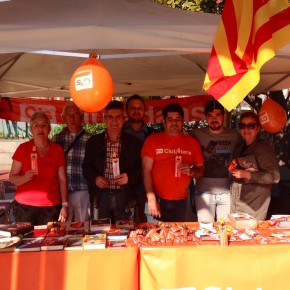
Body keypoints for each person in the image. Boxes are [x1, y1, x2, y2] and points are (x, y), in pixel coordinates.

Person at [142, 103, 205, 222]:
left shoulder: (192, 142)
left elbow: (201, 169)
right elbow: (146, 170)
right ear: (164, 122)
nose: (174, 123)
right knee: (155, 238)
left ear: (182, 121)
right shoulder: (152, 140)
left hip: (180, 202)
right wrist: (151, 199)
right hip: (157, 200)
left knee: (177, 238)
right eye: (170, 119)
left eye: (178, 119)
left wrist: (192, 171)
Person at [82, 100, 142, 223]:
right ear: (105, 119)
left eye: (118, 117)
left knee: (125, 234)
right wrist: (95, 178)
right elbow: (86, 167)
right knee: (99, 234)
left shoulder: (134, 143)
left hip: (125, 196)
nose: (114, 121)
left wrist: (129, 177)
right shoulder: (94, 142)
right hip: (101, 196)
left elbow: (141, 169)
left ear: (124, 119)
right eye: (110, 117)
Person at [9, 111, 68, 225]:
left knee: (50, 240)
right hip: (25, 207)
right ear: (31, 130)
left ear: (49, 129)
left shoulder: (57, 150)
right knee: (26, 240)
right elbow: (12, 178)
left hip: (51, 207)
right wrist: (24, 178)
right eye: (36, 125)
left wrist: (65, 205)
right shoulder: (23, 149)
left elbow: (62, 180)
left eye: (44, 125)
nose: (40, 129)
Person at [191, 100, 241, 222]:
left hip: (228, 193)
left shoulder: (235, 136)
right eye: (210, 115)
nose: (214, 119)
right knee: (205, 230)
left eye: (217, 115)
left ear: (223, 116)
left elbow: (242, 157)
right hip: (203, 192)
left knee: (225, 230)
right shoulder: (196, 134)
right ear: (205, 118)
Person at [230, 111, 280, 220]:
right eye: (242, 126)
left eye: (251, 126)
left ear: (258, 128)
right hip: (237, 203)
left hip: (254, 206)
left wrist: (248, 174)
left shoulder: (263, 149)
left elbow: (275, 177)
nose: (246, 130)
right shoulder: (240, 146)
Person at [52, 103, 92, 222]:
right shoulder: (56, 139)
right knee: (63, 227)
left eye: (75, 115)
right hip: (61, 192)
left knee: (83, 226)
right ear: (63, 118)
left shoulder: (91, 139)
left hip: (82, 189)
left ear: (81, 117)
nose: (72, 118)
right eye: (68, 115)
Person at [123, 94, 157, 223]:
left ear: (144, 110)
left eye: (139, 108)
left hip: (146, 188)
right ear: (127, 110)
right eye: (133, 108)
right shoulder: (119, 132)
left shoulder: (152, 134)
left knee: (149, 227)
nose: (136, 111)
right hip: (125, 188)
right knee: (126, 227)